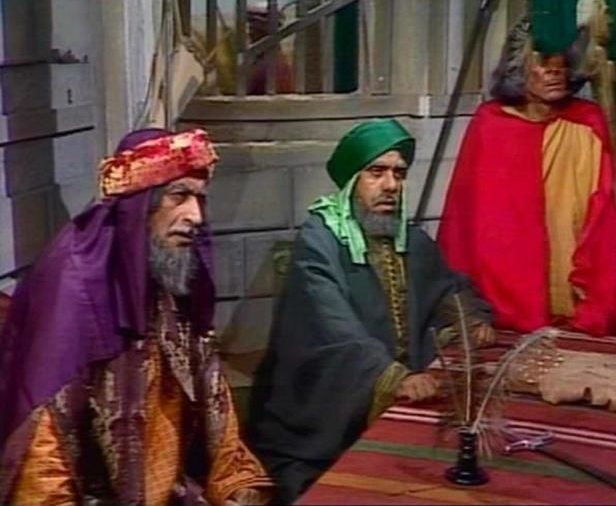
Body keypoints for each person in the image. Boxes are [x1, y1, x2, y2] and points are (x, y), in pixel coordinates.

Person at [0, 128, 273, 505]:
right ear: (140, 205)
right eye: (178, 196)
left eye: (200, 198)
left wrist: (237, 487)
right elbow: (42, 470)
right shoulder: (73, 286)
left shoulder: (168, 272)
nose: (195, 216)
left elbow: (216, 411)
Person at [247, 119, 494, 503]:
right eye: (376, 172)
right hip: (323, 416)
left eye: (399, 173)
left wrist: (469, 321)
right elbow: (332, 327)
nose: (391, 185)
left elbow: (448, 288)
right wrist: (391, 377)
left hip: (405, 398)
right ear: (352, 182)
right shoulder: (319, 240)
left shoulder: (409, 239)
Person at [437, 16, 616, 338]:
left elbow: (602, 208)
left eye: (562, 62)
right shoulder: (490, 123)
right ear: (518, 68)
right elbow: (467, 217)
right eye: (543, 62)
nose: (555, 71)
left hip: (571, 285)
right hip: (502, 287)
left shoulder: (586, 121)